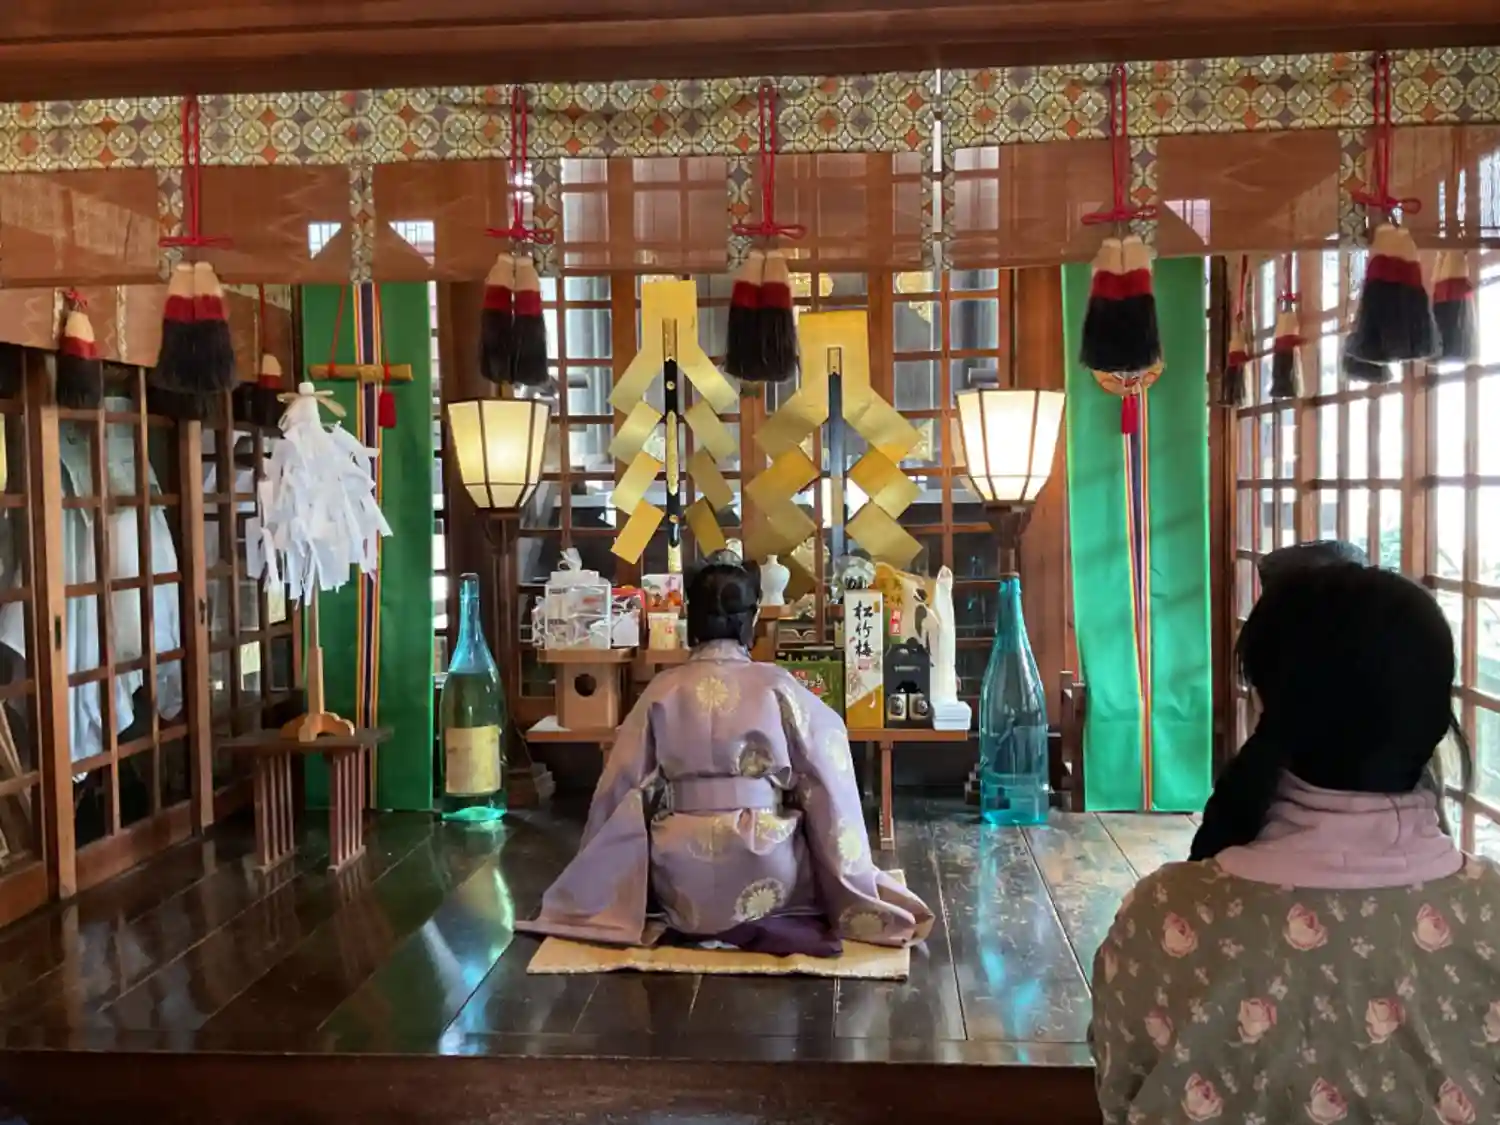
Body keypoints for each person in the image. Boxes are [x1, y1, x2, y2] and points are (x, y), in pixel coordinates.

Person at [1090, 562, 1500, 1124]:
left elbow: (1119, 1097)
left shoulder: (1163, 918)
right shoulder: (1490, 914)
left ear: (1266, 710)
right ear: (1437, 722)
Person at [518, 551, 933, 954]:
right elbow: (828, 769)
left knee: (658, 842)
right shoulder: (777, 686)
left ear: (691, 620)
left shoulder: (661, 690)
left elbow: (622, 786)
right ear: (751, 620)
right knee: (813, 811)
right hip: (767, 867)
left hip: (683, 876)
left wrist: (599, 872)